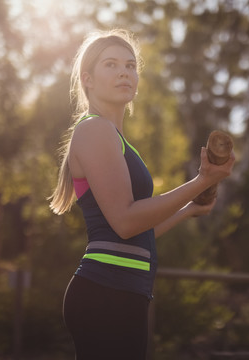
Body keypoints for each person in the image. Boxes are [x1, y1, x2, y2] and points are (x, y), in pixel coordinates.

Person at [49, 29, 235, 359]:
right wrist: (201, 181)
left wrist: (190, 208)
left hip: (122, 294)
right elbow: (124, 221)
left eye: (130, 65)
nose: (124, 71)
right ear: (88, 79)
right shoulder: (95, 129)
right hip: (107, 294)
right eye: (111, 64)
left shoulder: (116, 140)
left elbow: (134, 235)